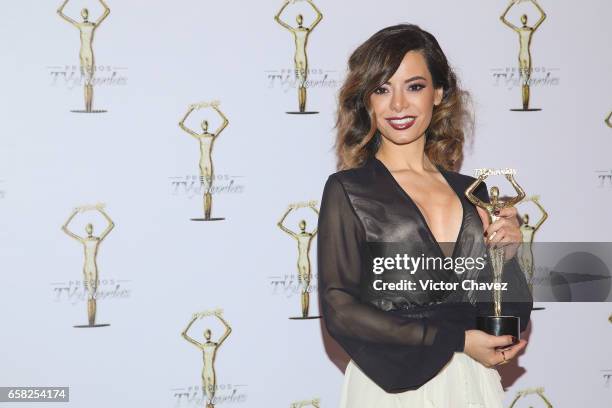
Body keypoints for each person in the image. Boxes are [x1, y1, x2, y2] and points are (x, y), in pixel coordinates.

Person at [317, 24, 533, 407]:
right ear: (367, 101)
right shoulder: (349, 191)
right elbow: (340, 310)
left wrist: (511, 257)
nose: (398, 104)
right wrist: (457, 340)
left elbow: (508, 313)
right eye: (382, 89)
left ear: (438, 93)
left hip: (472, 383)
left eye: (414, 86)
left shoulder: (474, 193)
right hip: (390, 386)